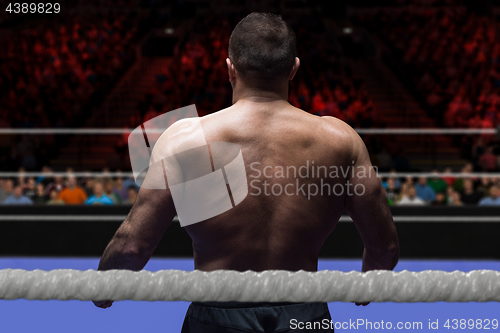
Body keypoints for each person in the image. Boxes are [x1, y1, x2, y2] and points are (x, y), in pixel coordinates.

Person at [93, 13, 399, 333]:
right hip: (303, 315)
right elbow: (385, 248)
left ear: (230, 69)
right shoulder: (340, 139)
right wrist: (369, 282)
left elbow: (132, 247)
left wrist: (104, 286)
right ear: (293, 68)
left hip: (217, 313)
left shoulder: (185, 139)